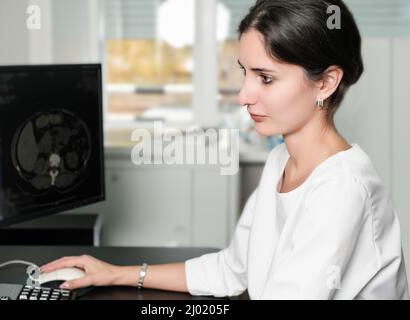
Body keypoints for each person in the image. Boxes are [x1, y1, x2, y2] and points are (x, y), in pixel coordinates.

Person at [41, 0, 409, 299]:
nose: (244, 96)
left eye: (265, 78)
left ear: (326, 82)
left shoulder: (342, 189)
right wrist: (116, 274)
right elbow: (232, 270)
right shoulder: (281, 158)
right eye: (244, 72)